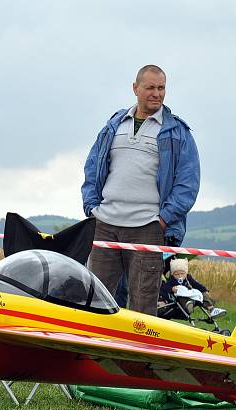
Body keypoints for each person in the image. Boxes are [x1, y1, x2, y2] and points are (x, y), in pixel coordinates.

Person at [82, 64, 200, 316]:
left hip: (148, 228)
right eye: (150, 88)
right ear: (135, 89)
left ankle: (136, 357)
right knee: (96, 301)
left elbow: (188, 183)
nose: (156, 93)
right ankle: (94, 356)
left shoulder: (177, 132)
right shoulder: (113, 126)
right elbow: (92, 167)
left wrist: (163, 220)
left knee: (143, 306)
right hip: (105, 225)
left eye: (161, 88)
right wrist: (91, 208)